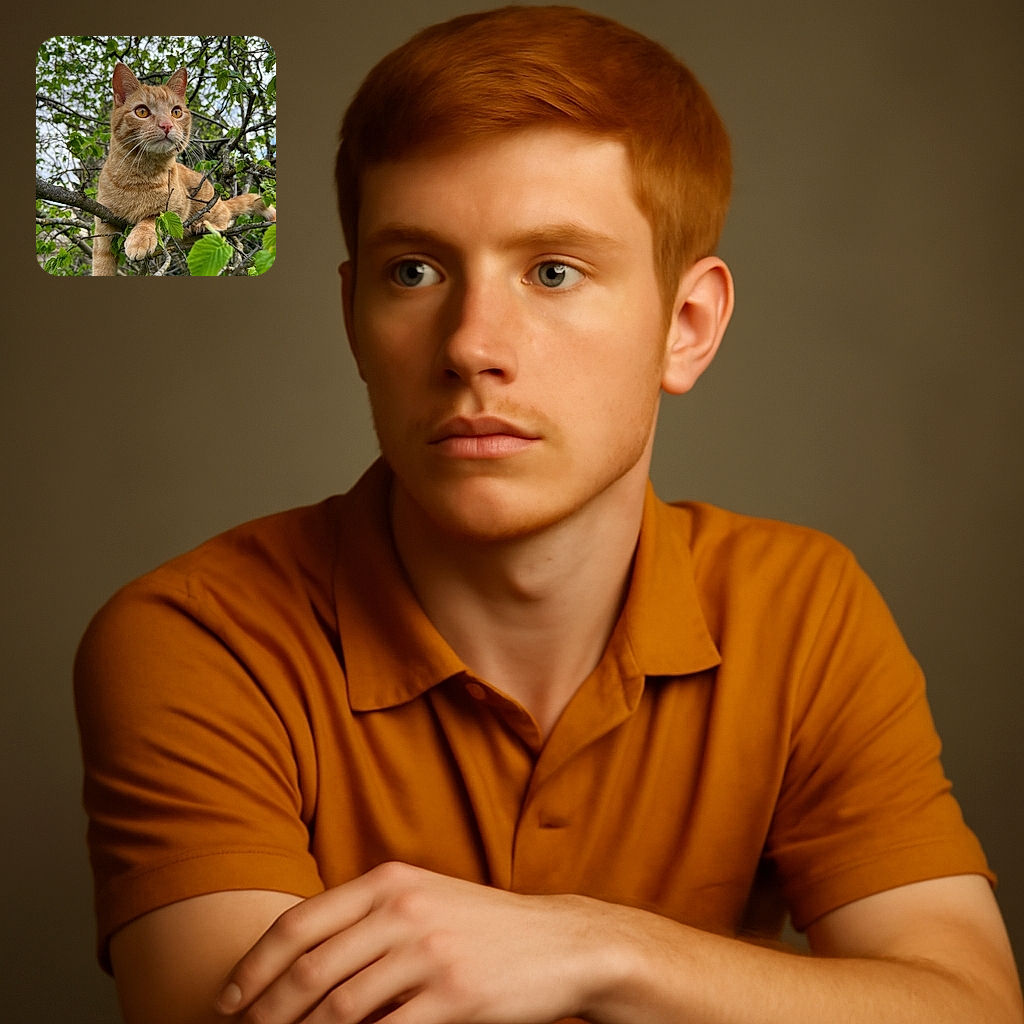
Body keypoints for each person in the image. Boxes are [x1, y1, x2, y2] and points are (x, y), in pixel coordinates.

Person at [74, 6, 1022, 1023]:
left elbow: (967, 1004)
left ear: (686, 327)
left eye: (553, 270)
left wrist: (602, 947)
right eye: (415, 271)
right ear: (355, 318)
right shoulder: (199, 638)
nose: (472, 342)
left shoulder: (801, 609)